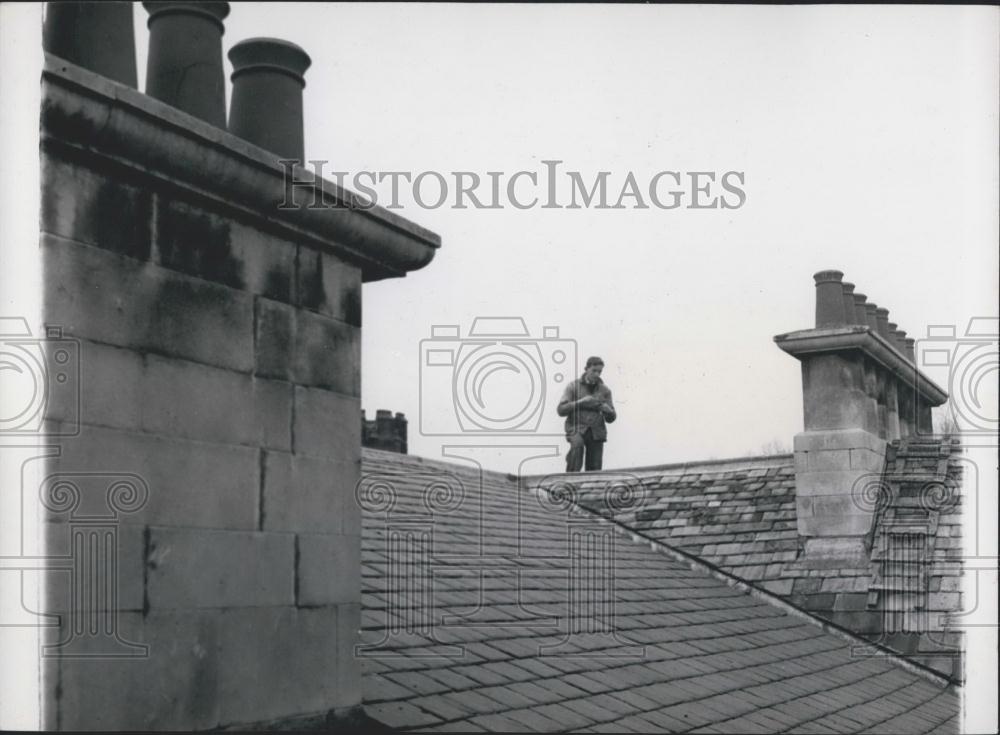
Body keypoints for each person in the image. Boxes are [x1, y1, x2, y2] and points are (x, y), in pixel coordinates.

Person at [556, 356, 616, 472]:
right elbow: (561, 410)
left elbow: (611, 418)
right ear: (586, 369)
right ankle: (570, 482)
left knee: (594, 468)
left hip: (597, 432)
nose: (597, 374)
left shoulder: (605, 391)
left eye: (599, 371)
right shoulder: (573, 386)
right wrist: (581, 402)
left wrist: (607, 410)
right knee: (577, 447)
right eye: (594, 370)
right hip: (576, 428)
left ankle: (591, 487)